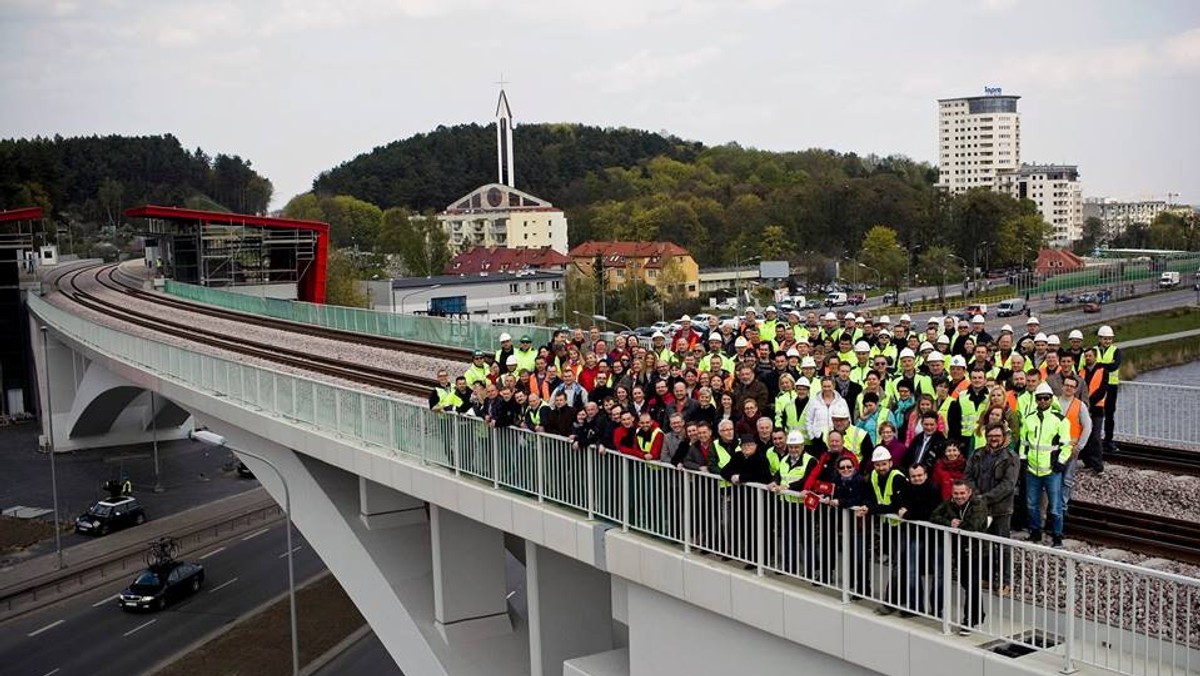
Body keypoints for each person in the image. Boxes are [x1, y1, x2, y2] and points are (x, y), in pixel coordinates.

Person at [964, 423, 1019, 593]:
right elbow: (968, 476)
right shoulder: (977, 454)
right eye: (990, 435)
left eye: (997, 435)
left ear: (1003, 437)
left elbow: (1008, 485)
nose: (993, 438)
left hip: (1001, 509)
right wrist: (977, 495)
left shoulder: (1011, 457)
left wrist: (984, 498)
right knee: (984, 544)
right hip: (981, 509)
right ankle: (987, 577)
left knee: (1002, 546)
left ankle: (1005, 582)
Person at [930, 480, 989, 635]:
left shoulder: (978, 504)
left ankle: (969, 620)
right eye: (956, 493)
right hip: (960, 550)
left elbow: (972, 526)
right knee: (966, 583)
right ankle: (978, 615)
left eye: (962, 493)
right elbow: (934, 515)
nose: (959, 496)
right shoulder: (950, 503)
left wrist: (957, 525)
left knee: (972, 585)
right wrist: (950, 522)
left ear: (969, 492)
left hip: (977, 552)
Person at [1022, 382, 1072, 547]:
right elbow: (1024, 442)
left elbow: (1067, 445)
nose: (1042, 401)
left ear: (1051, 399)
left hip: (1051, 471)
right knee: (1031, 504)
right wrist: (1023, 458)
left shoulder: (1060, 420)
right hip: (1032, 470)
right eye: (1039, 398)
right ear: (1036, 400)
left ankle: (1057, 535)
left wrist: (1060, 462)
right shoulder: (1029, 419)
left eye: (1046, 398)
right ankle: (1035, 532)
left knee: (1055, 506)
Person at [858, 446, 908, 612]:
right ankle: (899, 601)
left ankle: (891, 602)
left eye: (884, 464)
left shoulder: (897, 478)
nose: (881, 468)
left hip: (903, 527)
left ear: (890, 463)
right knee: (898, 564)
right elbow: (871, 498)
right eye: (878, 465)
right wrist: (868, 506)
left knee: (898, 565)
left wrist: (871, 509)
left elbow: (896, 505)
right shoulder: (873, 476)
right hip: (888, 525)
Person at [769, 430, 819, 577]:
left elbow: (807, 480)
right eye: (791, 447)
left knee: (806, 537)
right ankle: (788, 565)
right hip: (786, 504)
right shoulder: (785, 459)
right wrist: (774, 482)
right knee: (787, 535)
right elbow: (779, 474)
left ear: (803, 446)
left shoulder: (810, 460)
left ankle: (811, 568)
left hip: (803, 506)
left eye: (796, 447)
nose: (793, 450)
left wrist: (787, 487)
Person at [895, 463, 942, 617]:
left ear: (926, 475)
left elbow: (929, 512)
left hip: (936, 537)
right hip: (916, 535)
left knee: (939, 574)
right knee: (912, 570)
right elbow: (900, 504)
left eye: (920, 475)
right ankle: (916, 606)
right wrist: (910, 511)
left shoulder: (933, 489)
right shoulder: (907, 489)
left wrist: (909, 514)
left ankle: (937, 609)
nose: (917, 478)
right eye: (914, 476)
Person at [1078, 347, 1109, 472]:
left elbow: (1102, 390)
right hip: (1084, 407)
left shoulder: (1103, 370)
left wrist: (1088, 404)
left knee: (1095, 436)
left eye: (1090, 356)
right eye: (1086, 356)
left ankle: (1097, 464)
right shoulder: (1081, 372)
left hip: (1097, 408)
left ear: (1095, 357)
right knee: (1084, 435)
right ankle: (1087, 461)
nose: (1088, 358)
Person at [1094, 325, 1121, 454]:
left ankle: (1108, 440)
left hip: (1111, 386)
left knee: (1109, 414)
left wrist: (1099, 365)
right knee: (1096, 414)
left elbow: (1114, 366)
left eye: (1109, 339)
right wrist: (1106, 365)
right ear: (1100, 338)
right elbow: (1088, 365)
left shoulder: (1116, 351)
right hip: (1096, 386)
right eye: (1105, 338)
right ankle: (1094, 440)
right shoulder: (1093, 350)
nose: (1107, 341)